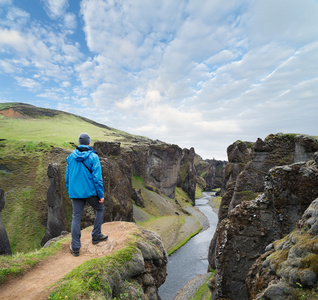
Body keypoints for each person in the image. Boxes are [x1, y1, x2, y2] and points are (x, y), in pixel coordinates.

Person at [65, 133, 108, 257]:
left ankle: (75, 247)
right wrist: (100, 195)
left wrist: (70, 192)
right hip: (90, 192)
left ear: (79, 143)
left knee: (76, 218)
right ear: (89, 143)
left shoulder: (70, 157)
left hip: (75, 193)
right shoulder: (93, 157)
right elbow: (97, 178)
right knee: (100, 208)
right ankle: (96, 235)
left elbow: (67, 178)